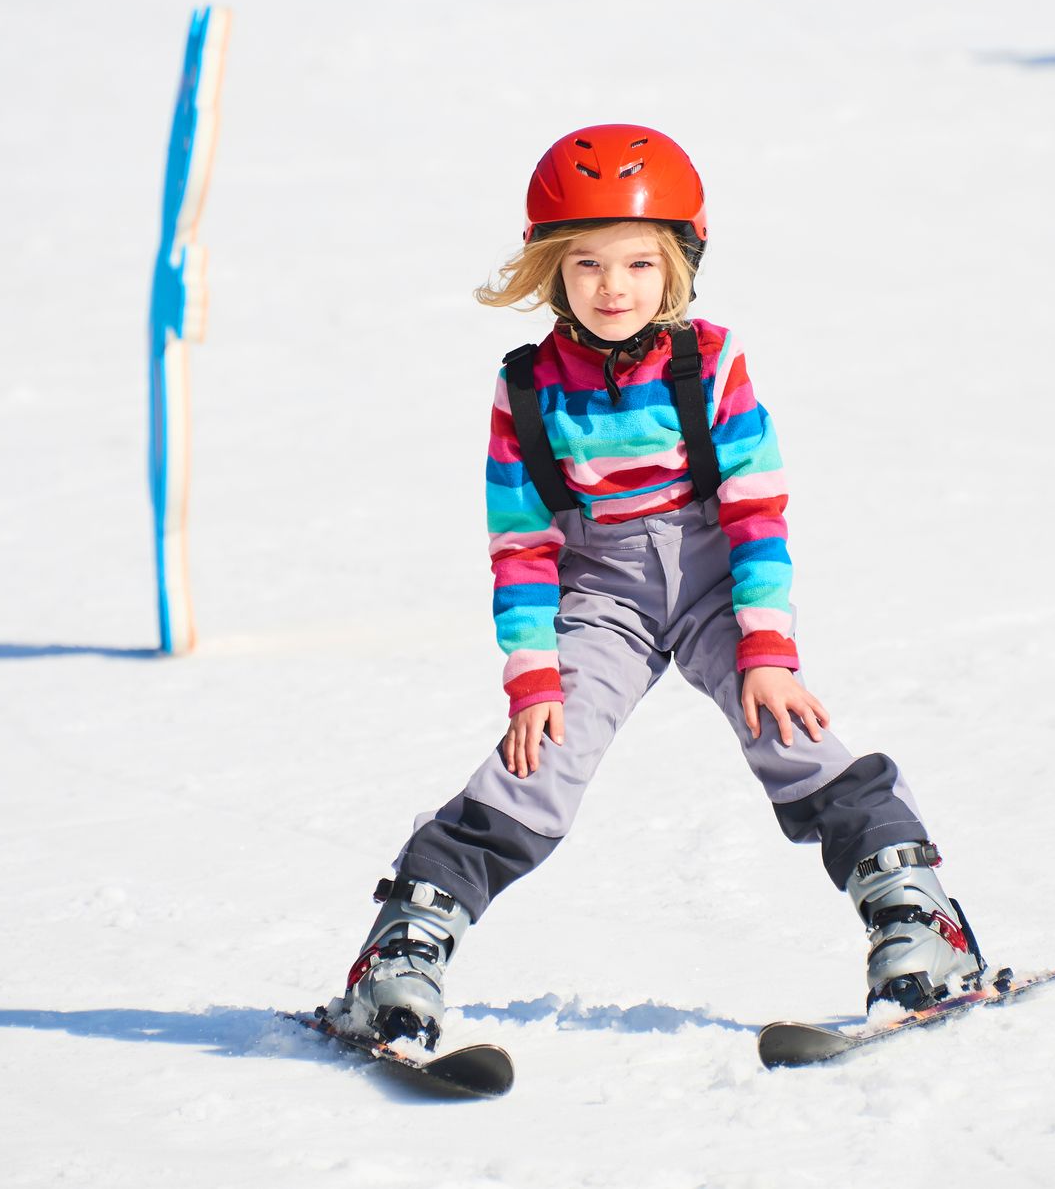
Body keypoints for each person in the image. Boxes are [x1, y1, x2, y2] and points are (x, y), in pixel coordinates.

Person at [323, 123, 987, 1049]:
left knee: (793, 737)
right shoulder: (526, 389)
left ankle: (919, 925)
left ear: (676, 266)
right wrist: (534, 679)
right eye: (587, 263)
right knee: (538, 762)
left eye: (637, 264)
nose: (612, 287)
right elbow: (521, 546)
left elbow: (757, 510)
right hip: (602, 595)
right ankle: (402, 955)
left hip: (717, 574)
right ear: (551, 270)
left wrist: (766, 652)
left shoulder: (707, 363)